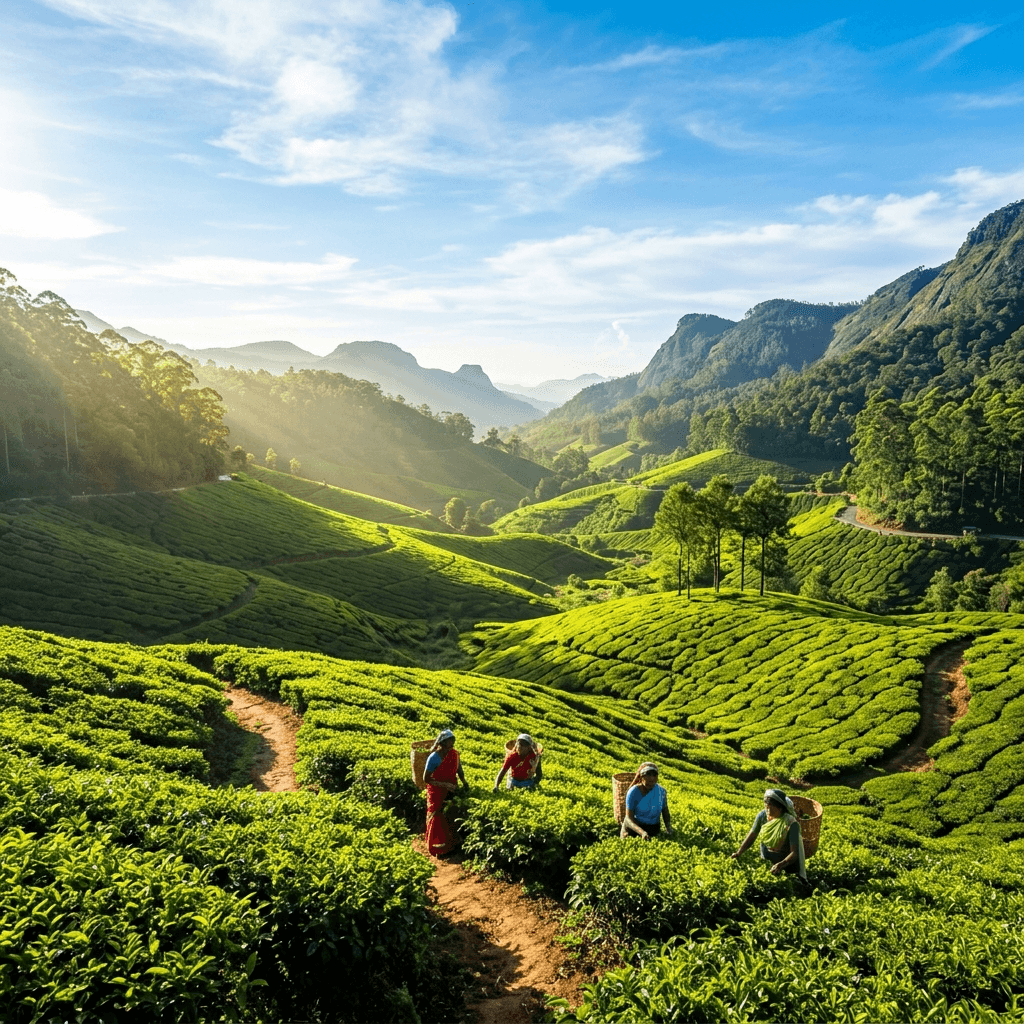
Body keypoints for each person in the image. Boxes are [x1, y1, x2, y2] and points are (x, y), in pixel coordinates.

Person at [731, 788, 808, 882]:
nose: (767, 809)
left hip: (786, 864)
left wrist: (781, 865)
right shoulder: (762, 816)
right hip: (767, 860)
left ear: (780, 808)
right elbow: (752, 835)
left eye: (770, 806)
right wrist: (739, 852)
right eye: (766, 806)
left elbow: (794, 853)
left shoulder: (791, 823)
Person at [423, 729, 467, 856]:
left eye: (452, 740)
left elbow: (459, 769)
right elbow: (426, 779)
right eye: (449, 740)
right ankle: (436, 845)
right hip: (437, 791)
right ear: (442, 743)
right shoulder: (434, 758)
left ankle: (450, 844)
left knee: (450, 815)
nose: (452, 742)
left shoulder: (454, 754)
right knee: (437, 815)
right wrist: (444, 784)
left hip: (451, 788)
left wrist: (464, 782)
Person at [621, 762, 673, 839]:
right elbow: (628, 819)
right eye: (648, 774)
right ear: (641, 777)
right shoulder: (633, 792)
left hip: (653, 829)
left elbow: (665, 811)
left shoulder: (661, 791)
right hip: (633, 830)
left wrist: (668, 828)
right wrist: (642, 832)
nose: (651, 778)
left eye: (654, 775)